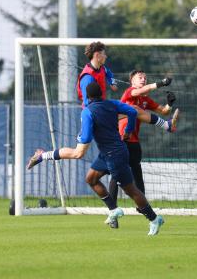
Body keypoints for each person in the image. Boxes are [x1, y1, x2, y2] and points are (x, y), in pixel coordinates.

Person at [26, 82, 165, 236]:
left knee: (131, 191)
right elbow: (132, 112)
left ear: (87, 97)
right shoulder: (112, 104)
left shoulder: (88, 112)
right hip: (108, 153)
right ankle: (114, 209)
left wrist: (82, 136)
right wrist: (128, 130)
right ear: (101, 94)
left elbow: (85, 138)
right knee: (91, 178)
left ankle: (154, 219)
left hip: (115, 155)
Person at [107, 70, 177, 228]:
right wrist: (160, 83)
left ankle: (142, 207)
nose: (143, 79)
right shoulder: (129, 93)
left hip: (134, 142)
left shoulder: (145, 100)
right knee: (115, 176)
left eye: (145, 77)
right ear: (132, 81)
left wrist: (170, 104)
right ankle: (112, 213)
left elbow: (163, 111)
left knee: (137, 174)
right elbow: (140, 91)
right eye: (140, 77)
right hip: (121, 140)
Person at [76, 41, 178, 133]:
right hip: (95, 113)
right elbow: (87, 103)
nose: (106, 56)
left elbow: (108, 73)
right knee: (78, 153)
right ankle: (127, 132)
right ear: (97, 55)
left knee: (133, 110)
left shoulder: (102, 68)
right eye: (104, 54)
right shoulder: (88, 78)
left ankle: (162, 126)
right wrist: (161, 83)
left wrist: (112, 83)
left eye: (145, 78)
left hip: (102, 107)